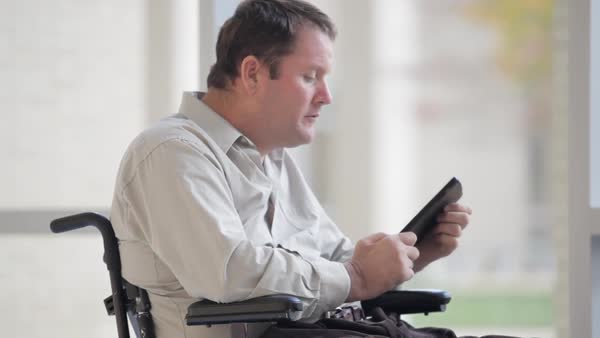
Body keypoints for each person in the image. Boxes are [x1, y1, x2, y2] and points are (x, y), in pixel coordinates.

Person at [110, 1, 473, 337]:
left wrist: (410, 256)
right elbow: (228, 271)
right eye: (310, 76)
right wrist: (357, 275)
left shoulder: (274, 159)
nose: (326, 96)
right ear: (252, 73)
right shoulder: (170, 152)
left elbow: (336, 263)